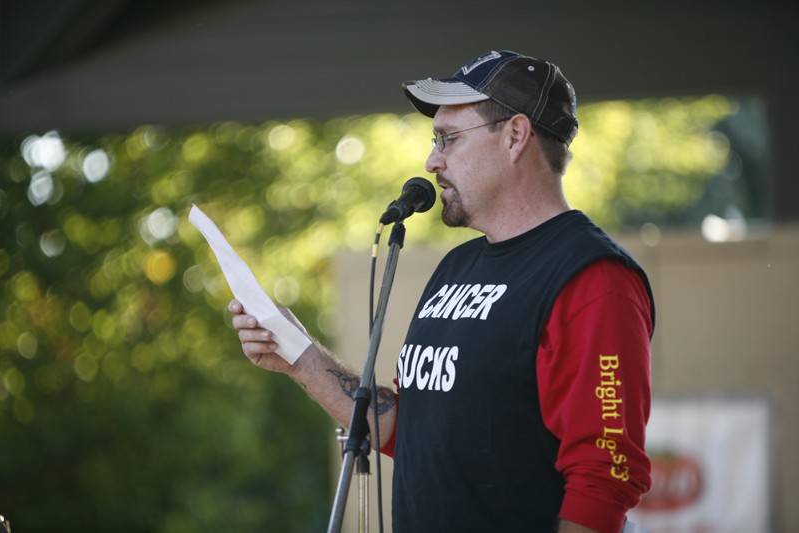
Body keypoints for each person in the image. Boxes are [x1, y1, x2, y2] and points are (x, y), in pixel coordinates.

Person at [230, 50, 654, 533]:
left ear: (515, 136)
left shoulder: (593, 279)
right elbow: (408, 431)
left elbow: (605, 478)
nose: (432, 161)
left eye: (447, 139)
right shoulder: (458, 266)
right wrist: (297, 355)